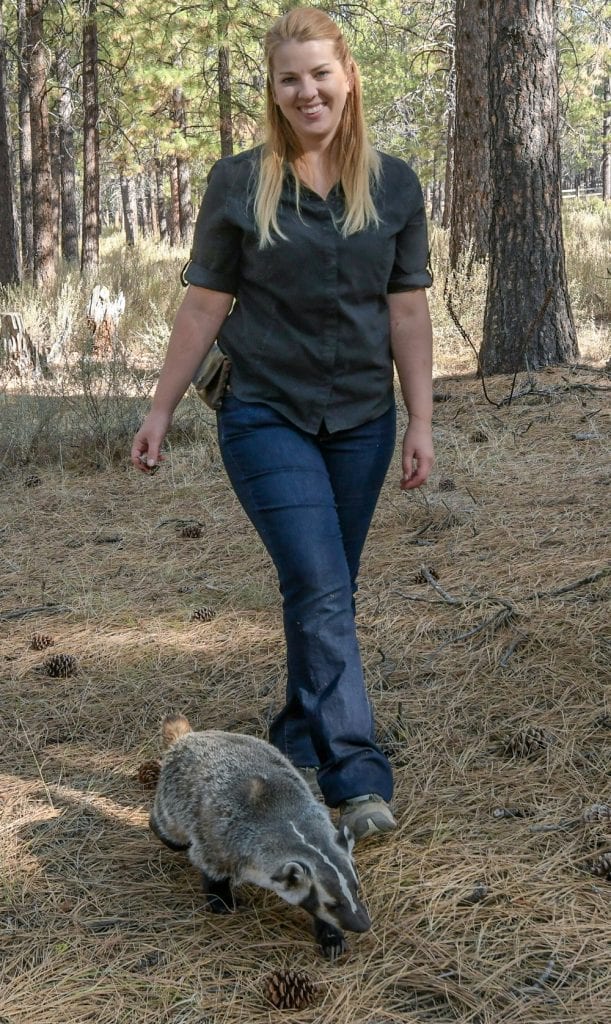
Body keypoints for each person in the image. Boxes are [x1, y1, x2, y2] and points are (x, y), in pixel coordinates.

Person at [131, 6, 434, 842]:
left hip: (364, 420)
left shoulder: (396, 184)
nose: (307, 91)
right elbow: (203, 302)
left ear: (348, 78)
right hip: (265, 412)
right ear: (272, 90)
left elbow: (406, 312)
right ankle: (356, 776)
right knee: (321, 586)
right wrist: (159, 407)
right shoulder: (240, 182)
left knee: (323, 588)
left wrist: (420, 420)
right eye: (289, 78)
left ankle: (296, 734)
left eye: (319, 74)